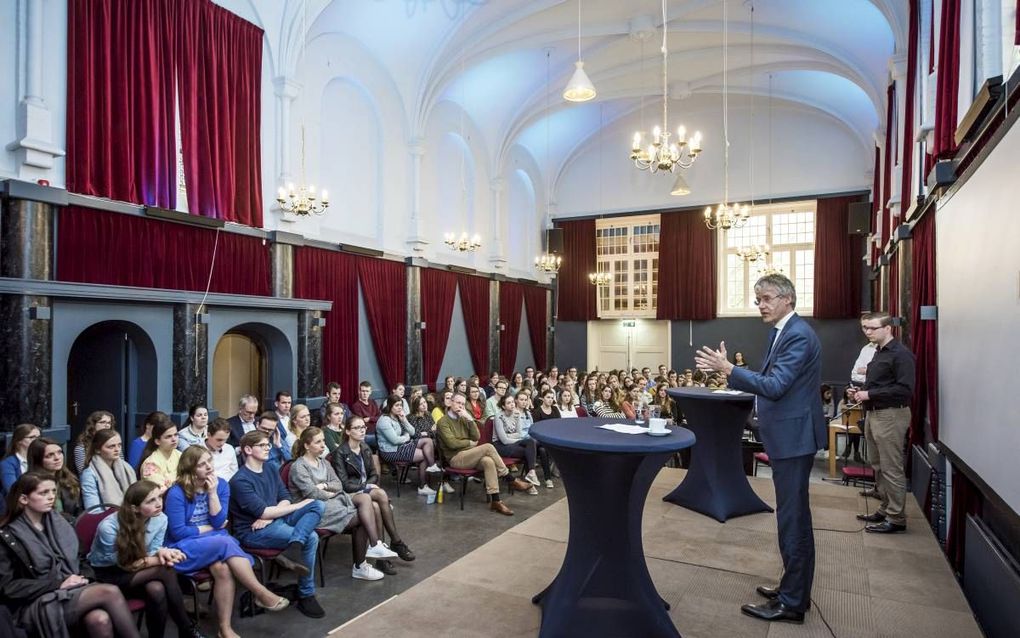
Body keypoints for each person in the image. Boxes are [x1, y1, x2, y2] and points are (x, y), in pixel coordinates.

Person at [695, 273, 824, 624]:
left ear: (787, 298)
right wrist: (731, 372)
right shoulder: (781, 331)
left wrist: (729, 369)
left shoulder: (796, 334)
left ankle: (793, 603)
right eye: (757, 300)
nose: (761, 306)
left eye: (766, 298)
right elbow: (774, 380)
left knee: (793, 521)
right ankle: (791, 588)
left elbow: (777, 385)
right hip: (788, 435)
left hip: (794, 439)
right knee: (790, 518)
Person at [165, 446, 289, 637]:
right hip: (183, 548)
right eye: (202, 464)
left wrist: (213, 493)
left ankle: (225, 629)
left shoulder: (221, 485)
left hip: (214, 543)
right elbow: (179, 532)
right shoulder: (177, 492)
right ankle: (260, 592)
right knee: (225, 542)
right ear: (190, 469)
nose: (208, 467)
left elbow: (218, 521)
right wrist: (211, 529)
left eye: (209, 461)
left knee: (222, 568)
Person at [0, 472, 142, 638]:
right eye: (43, 493)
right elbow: (8, 587)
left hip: (73, 589)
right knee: (109, 592)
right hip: (35, 601)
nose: (51, 497)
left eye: (53, 491)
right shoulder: (8, 535)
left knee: (99, 619)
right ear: (24, 499)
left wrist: (83, 578)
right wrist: (59, 584)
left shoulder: (63, 522)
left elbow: (82, 560)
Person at [291, 427, 413, 580]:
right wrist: (327, 490)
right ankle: (362, 564)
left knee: (366, 500)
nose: (323, 445)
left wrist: (323, 486)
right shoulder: (298, 467)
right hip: (314, 511)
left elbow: (337, 485)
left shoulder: (323, 463)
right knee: (366, 514)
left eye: (323, 440)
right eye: (318, 442)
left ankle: (374, 546)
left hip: (333, 502)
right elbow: (311, 493)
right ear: (306, 446)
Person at [88, 480, 205, 638]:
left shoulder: (161, 519)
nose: (158, 504)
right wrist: (159, 560)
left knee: (156, 589)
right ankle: (186, 629)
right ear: (134, 508)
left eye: (159, 497)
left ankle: (173, 633)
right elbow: (123, 563)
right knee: (165, 569)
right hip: (109, 575)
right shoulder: (108, 527)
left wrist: (162, 552)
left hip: (140, 569)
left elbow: (152, 550)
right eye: (151, 501)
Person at [229, 431, 326, 618]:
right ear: (248, 449)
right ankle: (306, 594)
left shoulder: (271, 467)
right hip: (253, 533)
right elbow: (262, 512)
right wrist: (273, 513)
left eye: (268, 445)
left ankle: (295, 544)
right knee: (312, 536)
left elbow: (285, 497)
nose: (268, 448)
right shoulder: (240, 481)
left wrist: (271, 515)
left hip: (274, 520)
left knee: (318, 504)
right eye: (262, 445)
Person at [852, 311, 916, 534]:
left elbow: (905, 389)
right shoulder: (878, 352)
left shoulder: (900, 354)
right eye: (865, 328)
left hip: (891, 414)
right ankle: (886, 507)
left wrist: (870, 395)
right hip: (875, 413)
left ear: (888, 328)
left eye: (872, 328)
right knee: (877, 464)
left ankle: (896, 518)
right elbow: (879, 384)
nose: (868, 332)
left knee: (891, 467)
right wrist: (861, 392)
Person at [330, 417, 411, 572]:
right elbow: (344, 484)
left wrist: (368, 485)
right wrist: (366, 486)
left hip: (365, 492)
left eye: (363, 427)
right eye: (357, 427)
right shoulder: (340, 453)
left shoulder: (365, 448)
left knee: (375, 506)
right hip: (349, 495)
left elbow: (374, 474)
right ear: (348, 431)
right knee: (380, 495)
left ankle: (381, 557)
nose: (362, 430)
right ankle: (396, 541)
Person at [437, 393, 532, 515]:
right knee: (488, 447)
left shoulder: (464, 418)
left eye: (462, 404)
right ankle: (510, 479)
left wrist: (470, 420)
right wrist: (470, 443)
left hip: (470, 455)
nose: (460, 406)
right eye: (457, 402)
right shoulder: (443, 422)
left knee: (488, 461)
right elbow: (452, 444)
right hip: (455, 458)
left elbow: (476, 436)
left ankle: (496, 501)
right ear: (450, 402)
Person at [376, 395, 441, 496]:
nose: (400, 408)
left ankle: (432, 466)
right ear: (390, 406)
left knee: (427, 441)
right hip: (391, 451)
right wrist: (406, 437)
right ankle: (422, 486)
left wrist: (404, 421)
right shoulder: (384, 420)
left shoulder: (398, 416)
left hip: (402, 446)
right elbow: (394, 440)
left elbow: (412, 431)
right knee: (424, 455)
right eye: (397, 405)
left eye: (401, 405)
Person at [495, 394, 552, 491]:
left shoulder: (517, 414)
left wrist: (509, 435)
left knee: (530, 443)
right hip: (500, 446)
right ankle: (530, 484)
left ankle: (531, 474)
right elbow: (504, 440)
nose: (512, 404)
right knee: (529, 450)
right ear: (503, 406)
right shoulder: (499, 417)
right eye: (509, 403)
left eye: (512, 402)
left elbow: (520, 434)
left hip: (513, 442)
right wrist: (514, 437)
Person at [27, 437, 83, 521]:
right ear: (38, 460)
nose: (57, 458)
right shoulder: (30, 483)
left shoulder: (69, 478)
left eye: (59, 452)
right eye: (50, 455)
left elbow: (78, 509)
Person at [81, 430, 137, 510]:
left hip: (130, 514)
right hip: (105, 518)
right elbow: (93, 509)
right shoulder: (89, 474)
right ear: (97, 450)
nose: (117, 449)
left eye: (119, 445)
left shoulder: (126, 467)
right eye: (111, 446)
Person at [138, 415, 181, 494]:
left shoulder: (180, 455)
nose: (174, 439)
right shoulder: (150, 464)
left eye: (176, 435)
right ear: (157, 441)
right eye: (168, 437)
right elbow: (162, 491)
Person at [1, 424, 40, 500]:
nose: (37, 440)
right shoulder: (7, 464)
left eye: (38, 437)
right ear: (19, 441)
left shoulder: (40, 458)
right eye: (32, 437)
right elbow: (12, 490)